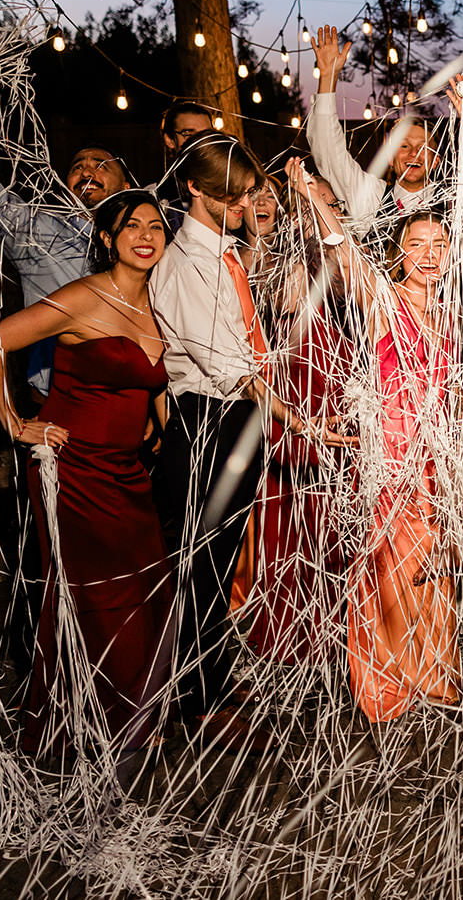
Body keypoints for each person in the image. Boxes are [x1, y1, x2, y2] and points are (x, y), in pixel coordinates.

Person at [0, 190, 174, 765]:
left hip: (129, 473)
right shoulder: (83, 297)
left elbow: (147, 379)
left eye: (156, 226)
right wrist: (16, 423)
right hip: (76, 471)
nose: (145, 234)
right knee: (99, 600)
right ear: (107, 238)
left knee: (145, 592)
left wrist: (155, 427)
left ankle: (129, 718)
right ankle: (95, 729)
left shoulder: (151, 302)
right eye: (131, 225)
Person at [149, 133, 313, 751]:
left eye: (248, 192)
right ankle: (187, 704)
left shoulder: (228, 254)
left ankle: (209, 681)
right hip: (207, 422)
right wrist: (299, 421)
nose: (246, 204)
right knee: (194, 566)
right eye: (234, 195)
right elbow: (225, 366)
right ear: (193, 188)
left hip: (241, 416)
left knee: (218, 564)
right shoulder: (184, 263)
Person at [288, 175, 462, 724]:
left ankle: (434, 675)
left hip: (437, 455)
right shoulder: (384, 299)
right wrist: (317, 199)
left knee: (434, 566)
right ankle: (386, 683)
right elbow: (344, 255)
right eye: (417, 245)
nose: (430, 256)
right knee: (390, 565)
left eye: (440, 246)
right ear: (398, 251)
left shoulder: (454, 311)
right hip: (391, 454)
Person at [0, 60, 133, 393]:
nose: (87, 169)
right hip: (63, 400)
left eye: (100, 164)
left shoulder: (144, 237)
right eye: (78, 165)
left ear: (124, 185)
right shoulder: (39, 232)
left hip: (135, 399)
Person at [238, 163, 360, 667]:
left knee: (331, 519)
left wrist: (311, 199)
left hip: (329, 382)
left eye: (274, 192)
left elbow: (338, 283)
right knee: (281, 519)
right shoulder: (239, 262)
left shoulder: (319, 256)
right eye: (254, 193)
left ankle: (335, 637)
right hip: (280, 392)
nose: (264, 201)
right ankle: (287, 641)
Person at [306, 25, 444, 229]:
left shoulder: (453, 204)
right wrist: (328, 78)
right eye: (404, 146)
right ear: (390, 156)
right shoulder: (370, 197)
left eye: (423, 147)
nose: (414, 153)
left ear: (435, 161)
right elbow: (329, 153)